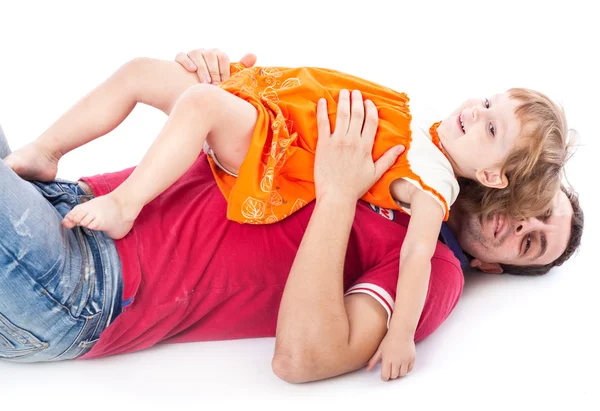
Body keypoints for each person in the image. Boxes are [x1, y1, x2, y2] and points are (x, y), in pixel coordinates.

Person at [0, 50, 582, 382]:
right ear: (508, 184)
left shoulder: (436, 268)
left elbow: (303, 360)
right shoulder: (411, 148)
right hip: (65, 202)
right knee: (158, 78)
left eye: (531, 243)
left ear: (497, 267)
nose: (519, 224)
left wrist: (335, 193)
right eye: (534, 210)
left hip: (80, 286)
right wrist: (232, 89)